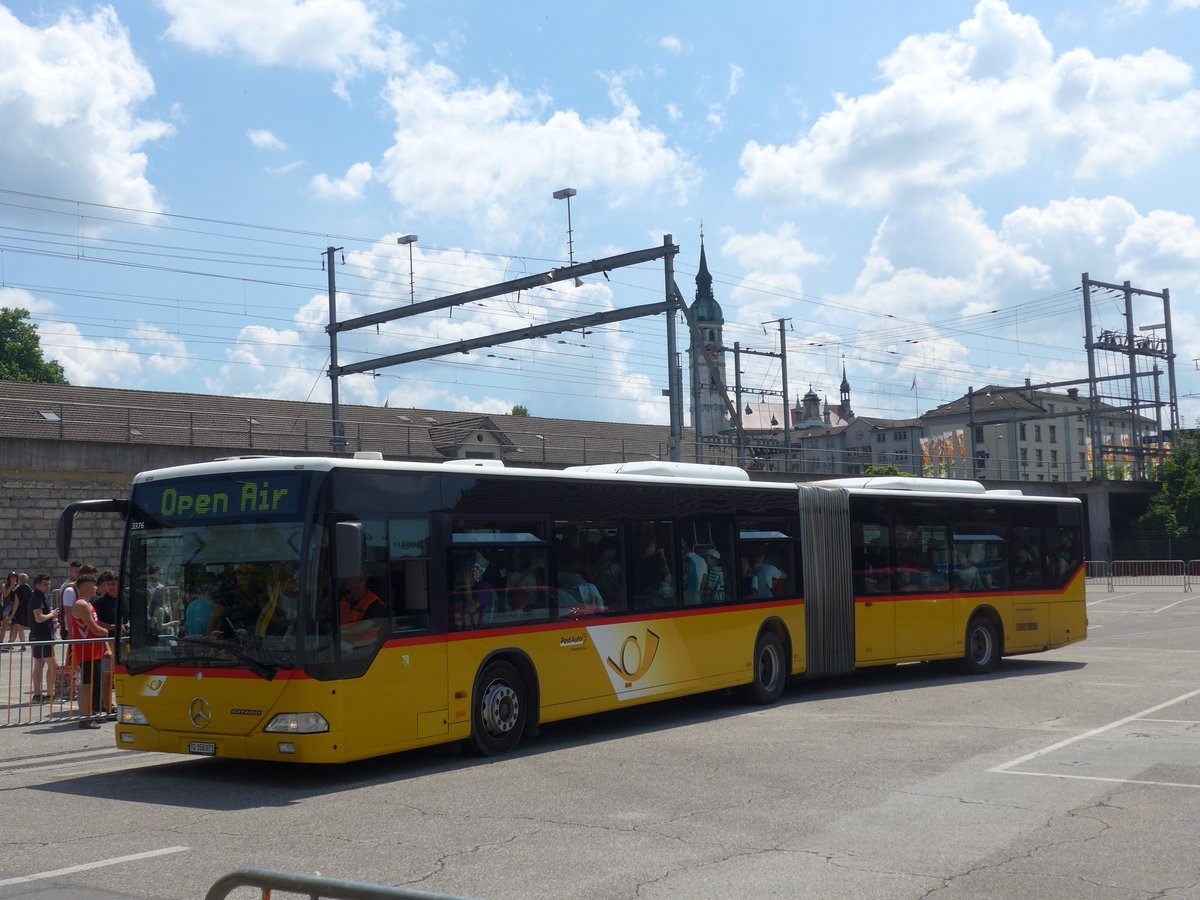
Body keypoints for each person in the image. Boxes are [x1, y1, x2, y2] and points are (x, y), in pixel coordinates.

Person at [69, 574, 109, 727]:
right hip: (87, 651)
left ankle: (90, 714)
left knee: (92, 683)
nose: (96, 588)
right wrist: (105, 632)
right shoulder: (82, 605)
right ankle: (86, 717)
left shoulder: (87, 604)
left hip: (93, 650)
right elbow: (94, 628)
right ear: (85, 587)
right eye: (93, 585)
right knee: (87, 685)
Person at [93, 571, 119, 712]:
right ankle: (106, 704)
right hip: (108, 644)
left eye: (113, 583)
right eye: (108, 584)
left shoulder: (126, 599)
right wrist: (112, 627)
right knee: (107, 676)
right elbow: (97, 622)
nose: (110, 587)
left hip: (124, 643)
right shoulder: (100, 602)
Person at [29, 573, 57, 702]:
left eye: (49, 584)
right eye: (45, 584)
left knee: (39, 664)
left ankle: (37, 694)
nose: (48, 586)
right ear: (37, 585)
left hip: (39, 636)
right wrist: (51, 614)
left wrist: (52, 620)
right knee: (52, 664)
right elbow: (39, 618)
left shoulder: (39, 596)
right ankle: (50, 694)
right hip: (42, 637)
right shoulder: (38, 598)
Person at [338, 574, 386, 647]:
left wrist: (341, 631)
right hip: (343, 645)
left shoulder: (374, 603)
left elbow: (366, 626)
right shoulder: (344, 600)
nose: (345, 580)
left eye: (350, 578)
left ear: (361, 580)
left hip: (364, 648)